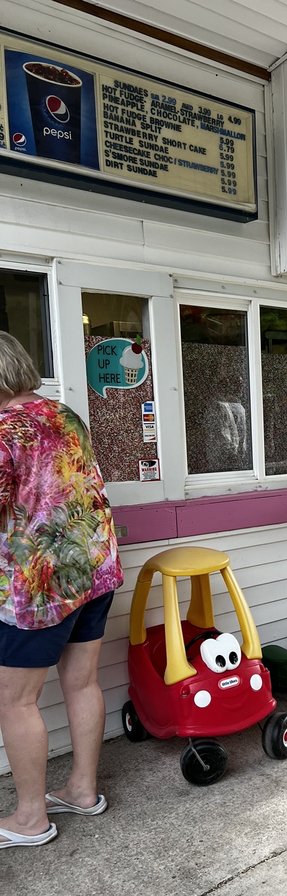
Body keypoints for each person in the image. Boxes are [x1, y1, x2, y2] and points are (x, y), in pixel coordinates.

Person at [0, 332, 123, 850]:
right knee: (83, 681)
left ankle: (31, 819)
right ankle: (82, 790)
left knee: (15, 700)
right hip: (95, 567)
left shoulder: (4, 431)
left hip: (42, 586)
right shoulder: (64, 414)